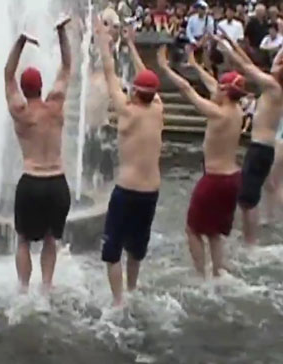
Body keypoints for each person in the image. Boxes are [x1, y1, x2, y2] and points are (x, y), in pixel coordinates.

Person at [158, 46, 245, 278]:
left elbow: (187, 90)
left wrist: (165, 68)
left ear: (225, 93)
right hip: (233, 178)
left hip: (215, 179)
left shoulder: (218, 114)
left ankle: (201, 277)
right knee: (214, 231)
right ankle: (218, 272)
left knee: (192, 229)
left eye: (220, 88)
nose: (214, 89)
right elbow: (213, 85)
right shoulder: (238, 110)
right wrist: (195, 65)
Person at [95, 22, 163, 306]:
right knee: (136, 247)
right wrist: (132, 46)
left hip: (127, 190)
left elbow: (110, 72)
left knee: (112, 250)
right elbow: (148, 80)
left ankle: (118, 300)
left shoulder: (126, 111)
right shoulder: (159, 109)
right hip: (151, 191)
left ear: (134, 92)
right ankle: (132, 290)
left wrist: (103, 42)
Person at [214, 28, 283, 245]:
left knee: (247, 200)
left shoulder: (273, 86)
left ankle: (250, 242)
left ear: (282, 72)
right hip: (265, 148)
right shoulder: (281, 86)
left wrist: (226, 48)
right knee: (248, 197)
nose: (278, 63)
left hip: (260, 148)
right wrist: (232, 43)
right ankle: (250, 236)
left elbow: (246, 68)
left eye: (281, 64)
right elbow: (251, 63)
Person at [4, 17, 71, 294]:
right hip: (57, 182)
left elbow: (7, 75)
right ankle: (46, 286)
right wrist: (61, 33)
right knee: (49, 239)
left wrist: (20, 41)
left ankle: (23, 288)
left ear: (24, 88)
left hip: (31, 181)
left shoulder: (20, 111)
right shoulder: (55, 105)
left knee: (22, 240)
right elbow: (67, 66)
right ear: (42, 86)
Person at [263, 94, 283, 223]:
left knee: (273, 183)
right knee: (271, 184)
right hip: (280, 137)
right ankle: (272, 214)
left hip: (278, 140)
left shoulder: (281, 95)